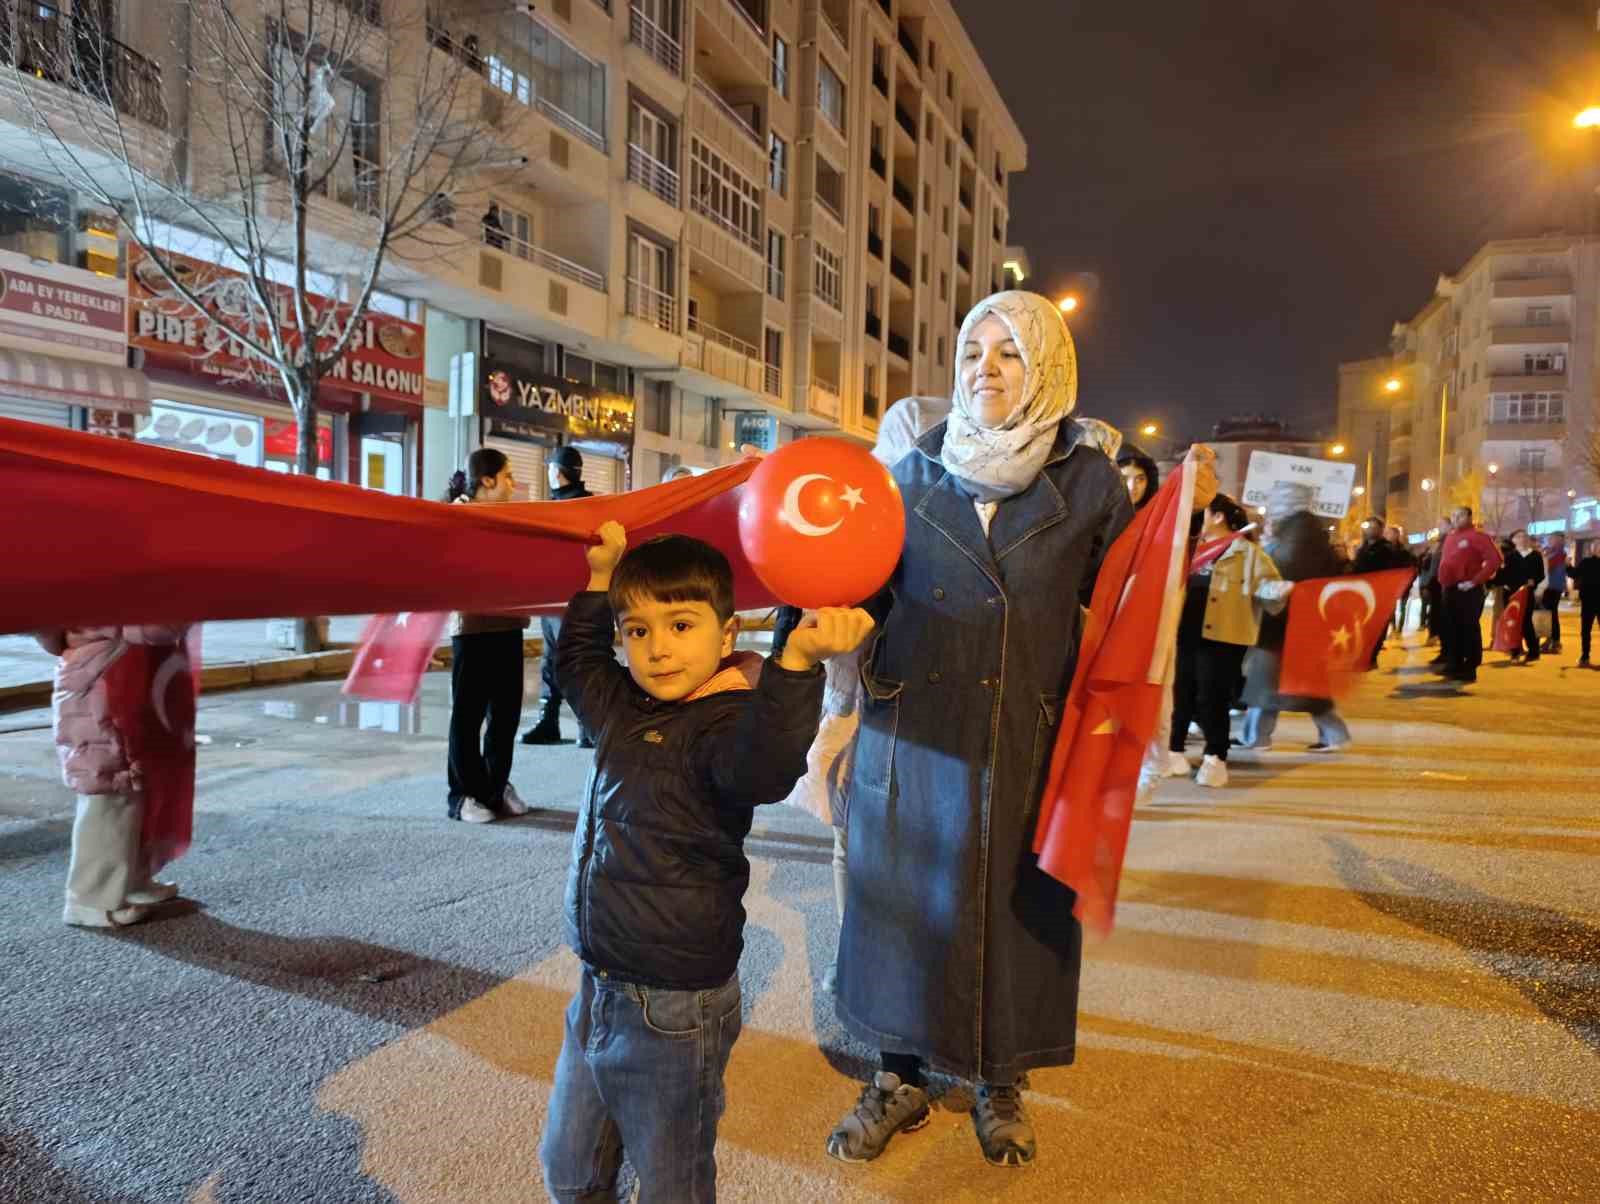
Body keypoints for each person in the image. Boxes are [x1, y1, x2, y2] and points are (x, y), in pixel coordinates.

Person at [825, 290, 1216, 1170]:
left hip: (1029, 732)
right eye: (973, 351)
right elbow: (858, 591)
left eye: (1008, 354)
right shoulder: (913, 471)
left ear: (1046, 368)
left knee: (1018, 911)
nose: (985, 370)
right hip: (911, 728)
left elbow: (1129, 606)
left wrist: (1180, 513)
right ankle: (898, 1077)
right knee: (901, 908)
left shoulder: (1087, 482)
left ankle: (1001, 1081)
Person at [538, 523, 872, 1204]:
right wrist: (601, 580)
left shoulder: (726, 726)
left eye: (681, 624)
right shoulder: (622, 710)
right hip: (597, 984)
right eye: (637, 631)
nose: (658, 648)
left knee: (672, 1183)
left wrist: (798, 663)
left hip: (676, 1007)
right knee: (569, 1170)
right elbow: (575, 664)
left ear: (724, 636)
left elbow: (765, 767)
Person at [771, 395, 951, 998]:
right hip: (858, 711)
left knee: (922, 849)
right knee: (853, 842)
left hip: (930, 719)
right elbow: (807, 601)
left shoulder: (958, 529)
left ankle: (915, 972)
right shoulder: (859, 525)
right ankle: (859, 959)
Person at [39, 625, 194, 927]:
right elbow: (152, 628)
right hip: (108, 685)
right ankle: (90, 899)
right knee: (112, 797)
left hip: (97, 677)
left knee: (134, 788)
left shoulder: (65, 585)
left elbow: (47, 635)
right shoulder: (109, 587)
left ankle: (131, 880)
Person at [1165, 493, 1292, 787]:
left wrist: (1281, 589)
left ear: (1219, 516)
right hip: (1183, 634)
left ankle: (1215, 756)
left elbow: (1267, 588)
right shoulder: (1189, 547)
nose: (1197, 518)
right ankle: (1173, 751)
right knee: (1179, 695)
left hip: (1223, 638)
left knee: (1211, 697)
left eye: (1203, 513)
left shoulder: (1247, 553)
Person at [444, 449, 530, 823]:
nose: (513, 484)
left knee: (506, 716)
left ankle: (495, 788)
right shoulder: (455, 517)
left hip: (509, 627)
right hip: (474, 630)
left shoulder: (512, 519)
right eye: (508, 476)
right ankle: (463, 795)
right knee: (468, 716)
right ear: (487, 480)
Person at [1239, 483, 1348, 753]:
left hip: (1287, 619)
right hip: (1293, 620)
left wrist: (1268, 548)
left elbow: (1286, 568)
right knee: (1290, 682)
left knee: (1270, 680)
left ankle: (1258, 737)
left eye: (1275, 501)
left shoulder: (1300, 531)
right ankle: (1260, 736)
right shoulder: (1304, 529)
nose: (1271, 507)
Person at [523, 446, 595, 748]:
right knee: (553, 660)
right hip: (557, 597)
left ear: (558, 471)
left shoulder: (573, 507)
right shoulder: (582, 504)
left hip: (573, 598)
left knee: (572, 661)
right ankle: (552, 723)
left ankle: (585, 727)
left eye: (551, 467)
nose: (549, 472)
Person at [1435, 506, 1502, 684]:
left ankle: (1470, 666)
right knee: (1451, 627)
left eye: (1461, 515)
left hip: (1469, 590)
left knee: (1468, 628)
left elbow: (1495, 560)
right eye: (1454, 515)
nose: (1456, 518)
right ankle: (1454, 663)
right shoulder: (1450, 538)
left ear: (1470, 517)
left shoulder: (1478, 537)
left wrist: (1475, 581)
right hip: (1450, 588)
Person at [1504, 529, 1546, 663]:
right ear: (1514, 540)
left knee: (1526, 622)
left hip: (1527, 593)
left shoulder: (1535, 556)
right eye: (1519, 537)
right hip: (1512, 595)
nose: (1522, 539)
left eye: (1524, 537)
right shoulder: (1510, 556)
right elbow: (1504, 574)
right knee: (1513, 623)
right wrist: (1504, 583)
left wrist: (1534, 580)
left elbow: (1541, 574)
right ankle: (1515, 652)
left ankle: (1533, 651)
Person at [1541, 532, 1569, 654]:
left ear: (1559, 540)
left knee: (1550, 613)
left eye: (1553, 539)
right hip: (1549, 586)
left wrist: (1543, 556)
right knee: (1548, 613)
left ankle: (1554, 641)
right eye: (1550, 538)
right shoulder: (1551, 552)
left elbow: (1547, 566)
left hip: (1552, 587)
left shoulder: (1560, 554)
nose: (1550, 540)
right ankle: (1549, 640)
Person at [1116, 443, 1161, 512]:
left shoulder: (1155, 517)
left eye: (1140, 479)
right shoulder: (1096, 518)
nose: (1132, 487)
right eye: (1123, 479)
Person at [1576, 541, 1600, 667]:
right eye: (1596, 547)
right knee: (1585, 631)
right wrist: (1568, 566)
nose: (1598, 549)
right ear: (1592, 550)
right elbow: (1575, 574)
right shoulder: (1586, 562)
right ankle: (1585, 655)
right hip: (1588, 601)